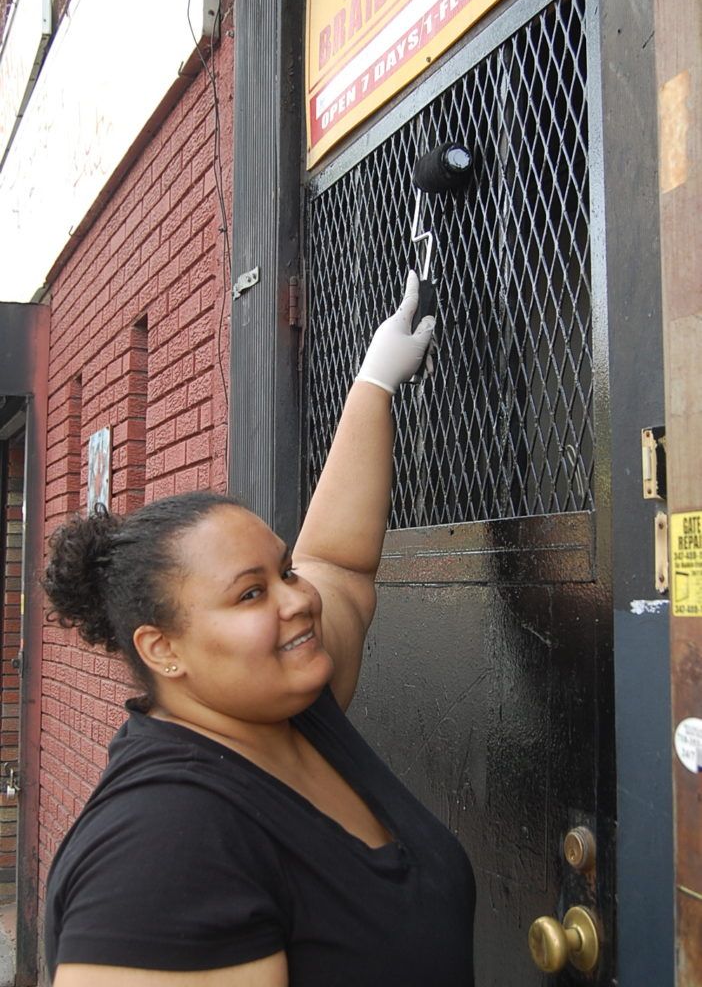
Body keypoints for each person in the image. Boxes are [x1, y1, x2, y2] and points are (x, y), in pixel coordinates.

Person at [42, 272, 476, 987]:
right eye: (249, 595)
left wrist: (374, 382)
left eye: (282, 572)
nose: (295, 601)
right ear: (163, 648)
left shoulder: (292, 707)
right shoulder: (162, 850)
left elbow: (334, 561)